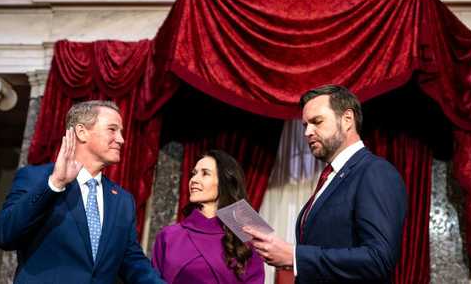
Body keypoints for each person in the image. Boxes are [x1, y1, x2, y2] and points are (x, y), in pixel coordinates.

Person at [245, 85, 408, 283]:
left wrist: (295, 256)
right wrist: (285, 255)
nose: (307, 132)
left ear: (347, 119)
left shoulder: (375, 172)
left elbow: (379, 259)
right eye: (305, 125)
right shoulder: (330, 177)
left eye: (317, 122)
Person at [0, 100, 164, 284]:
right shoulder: (36, 178)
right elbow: (4, 235)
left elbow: (133, 261)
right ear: (82, 132)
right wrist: (54, 184)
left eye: (120, 132)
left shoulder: (122, 200)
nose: (121, 139)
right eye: (112, 129)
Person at [152, 149, 265, 284]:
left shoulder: (247, 236)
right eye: (193, 174)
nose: (194, 179)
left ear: (224, 183)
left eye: (205, 173)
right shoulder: (168, 235)